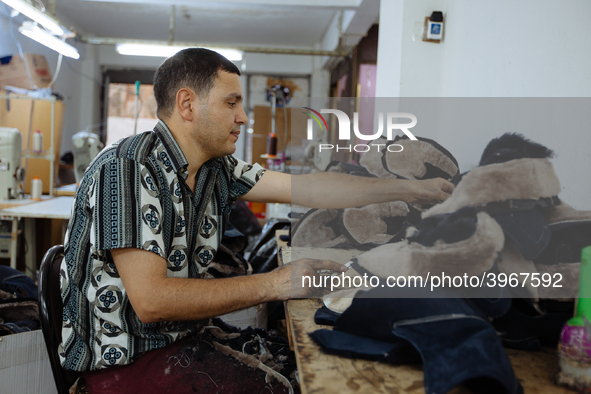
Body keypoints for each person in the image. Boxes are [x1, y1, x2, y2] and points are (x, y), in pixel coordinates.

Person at [59, 48, 454, 392]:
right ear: (187, 104)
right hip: (121, 364)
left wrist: (410, 190)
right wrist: (278, 283)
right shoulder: (128, 169)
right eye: (231, 103)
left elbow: (310, 189)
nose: (244, 117)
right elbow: (152, 302)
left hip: (176, 339)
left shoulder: (216, 169)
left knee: (292, 364)